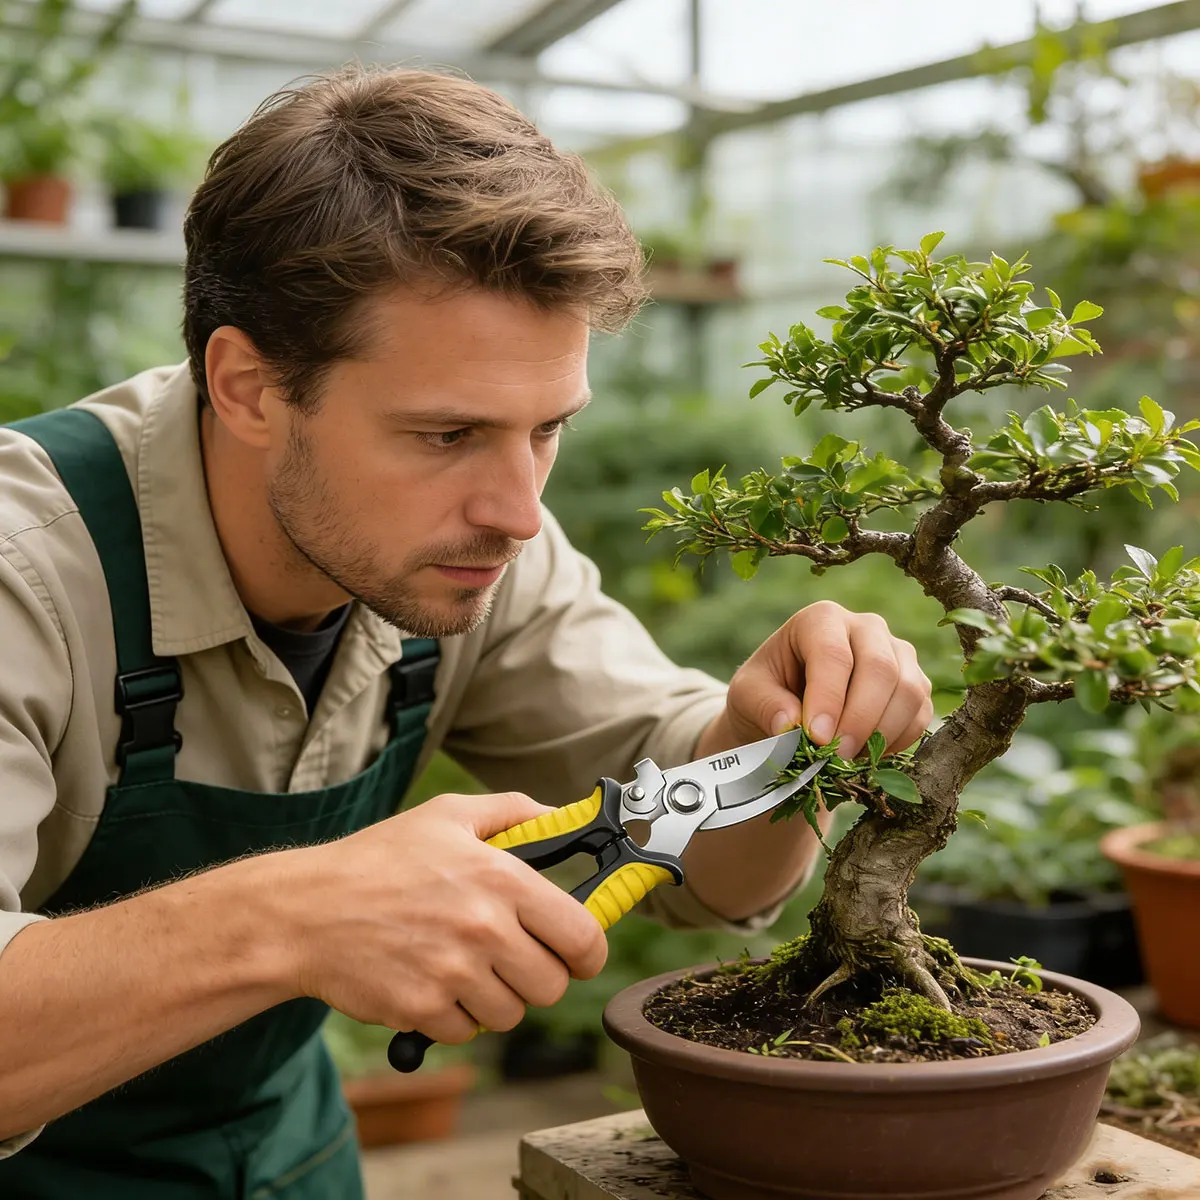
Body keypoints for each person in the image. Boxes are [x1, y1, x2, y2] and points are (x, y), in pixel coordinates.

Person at [0, 67, 933, 1197]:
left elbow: (709, 873)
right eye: (447, 434)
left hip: (286, 1160)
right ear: (247, 386)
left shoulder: (478, 555)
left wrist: (773, 734)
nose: (519, 511)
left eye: (547, 428)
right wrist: (288, 914)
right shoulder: (29, 574)